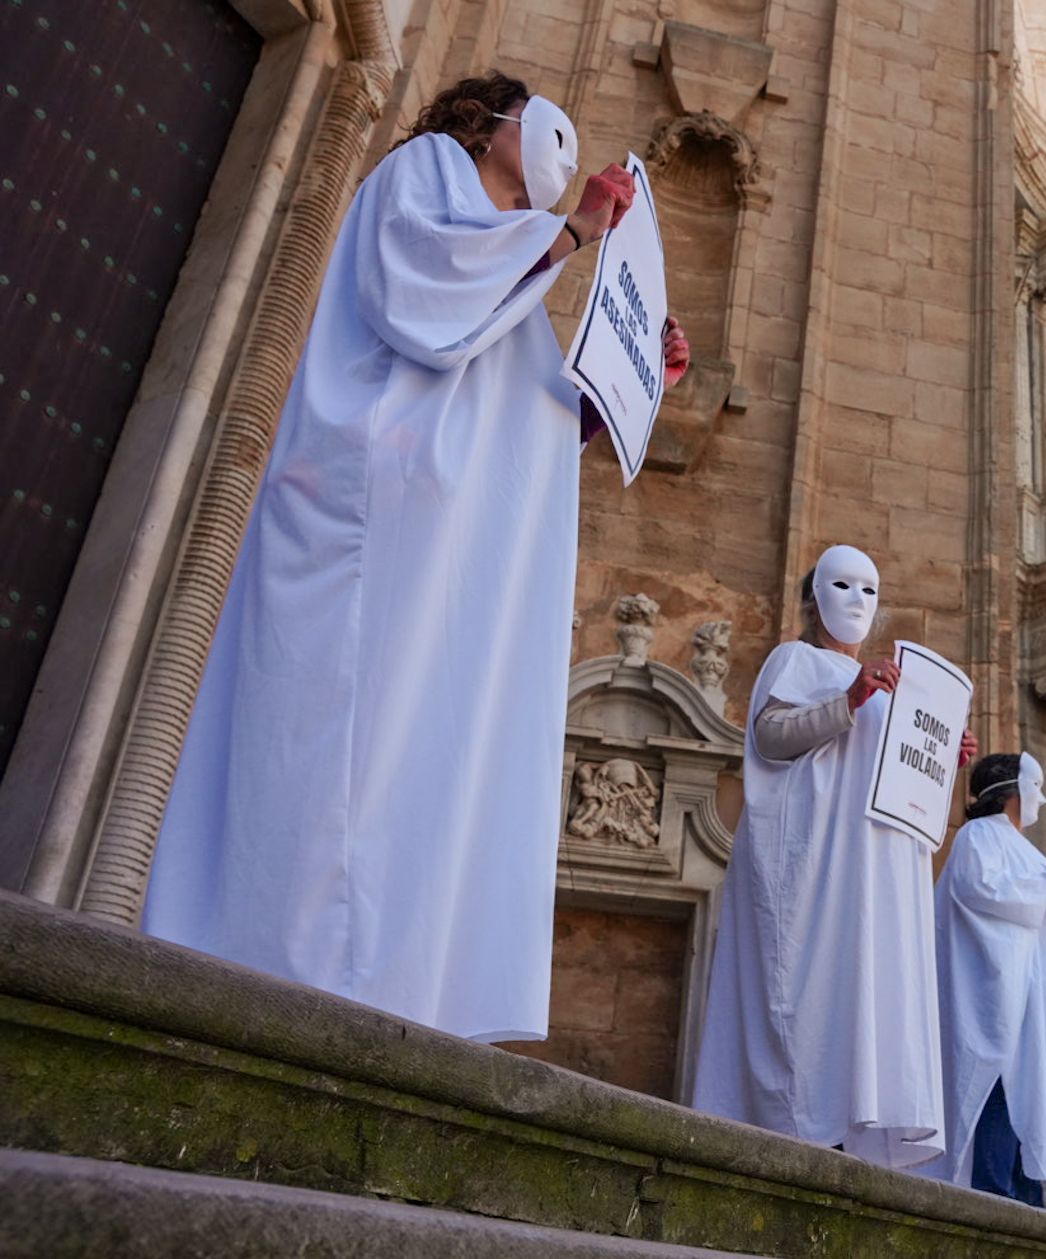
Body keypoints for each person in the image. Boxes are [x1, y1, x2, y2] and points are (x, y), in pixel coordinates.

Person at [142, 72, 690, 1042]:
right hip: (363, 521)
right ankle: (282, 979)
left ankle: (387, 998)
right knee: (337, 753)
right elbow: (423, 298)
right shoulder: (426, 172)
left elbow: (516, 425)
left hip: (441, 550)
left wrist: (621, 392)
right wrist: (573, 234)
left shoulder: (514, 271)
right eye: (538, 122)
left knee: (415, 767)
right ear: (491, 123)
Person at [693, 545, 977, 1169]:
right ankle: (796, 1137)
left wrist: (940, 759)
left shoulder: (896, 690)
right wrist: (848, 700)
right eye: (842, 585)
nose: (856, 600)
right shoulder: (794, 660)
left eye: (869, 590)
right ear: (813, 598)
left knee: (864, 999)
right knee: (806, 1000)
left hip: (871, 880)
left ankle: (852, 1135)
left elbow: (897, 788)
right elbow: (770, 737)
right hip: (814, 869)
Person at [923, 752, 1046, 1207]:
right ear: (1013, 791)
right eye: (1034, 787)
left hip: (1035, 999)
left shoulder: (1027, 852)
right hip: (995, 995)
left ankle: (1026, 1199)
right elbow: (979, 889)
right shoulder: (978, 836)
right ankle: (993, 1195)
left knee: (1034, 1094)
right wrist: (1045, 889)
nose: (1041, 798)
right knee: (998, 1088)